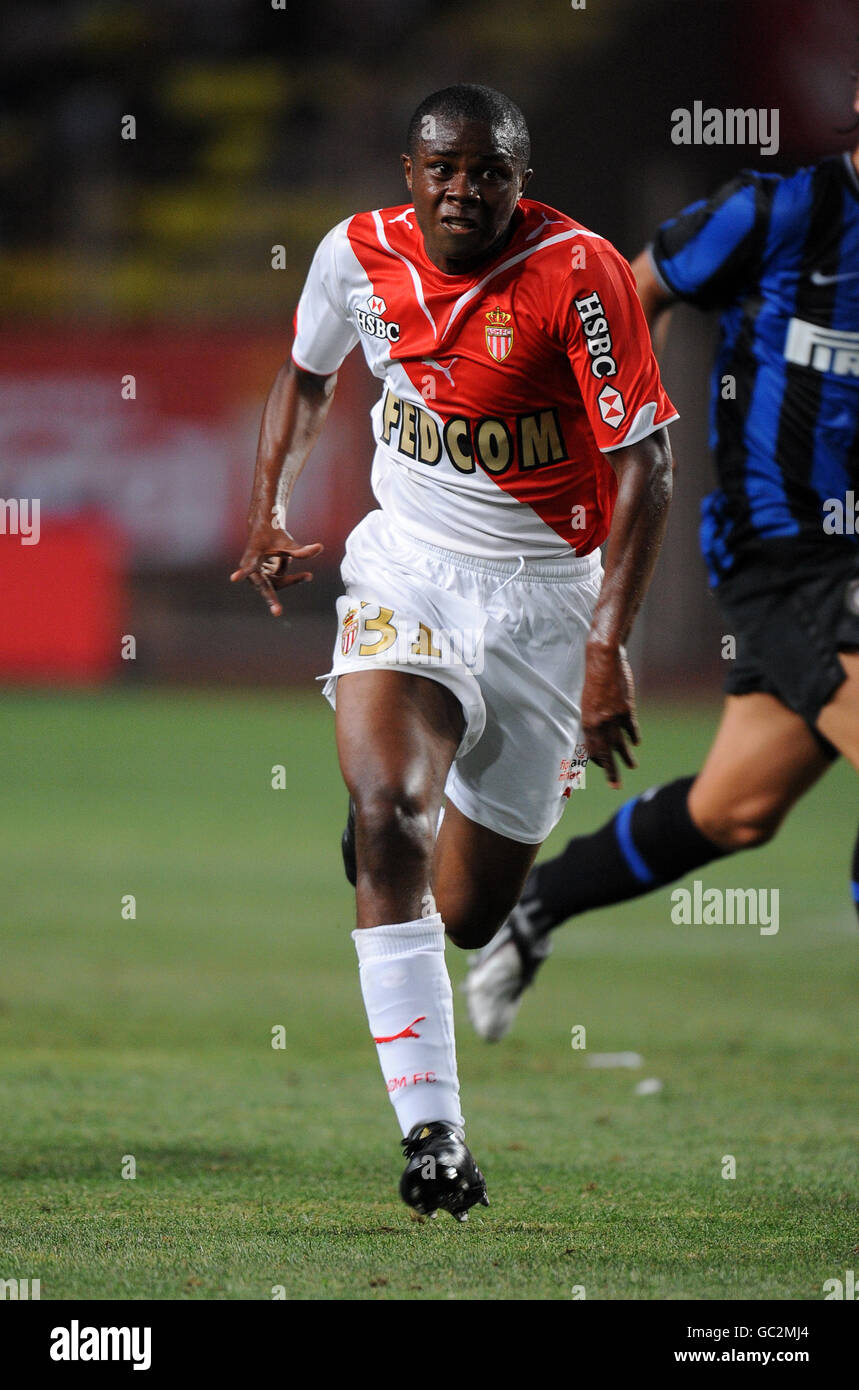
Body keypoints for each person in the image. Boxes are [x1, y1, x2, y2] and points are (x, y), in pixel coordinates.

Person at [232, 84, 676, 1218]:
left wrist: (606, 647)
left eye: (489, 171)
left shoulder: (583, 274)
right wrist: (271, 508)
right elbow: (306, 375)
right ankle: (432, 1132)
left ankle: (404, 828)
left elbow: (647, 465)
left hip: (543, 603)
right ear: (409, 168)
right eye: (442, 168)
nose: (462, 188)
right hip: (409, 569)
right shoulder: (353, 255)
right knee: (389, 816)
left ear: (521, 178)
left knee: (467, 910)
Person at [464, 121, 859, 1043]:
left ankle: (536, 907)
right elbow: (627, 296)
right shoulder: (776, 212)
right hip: (786, 550)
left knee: (738, 808)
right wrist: (585, 458)